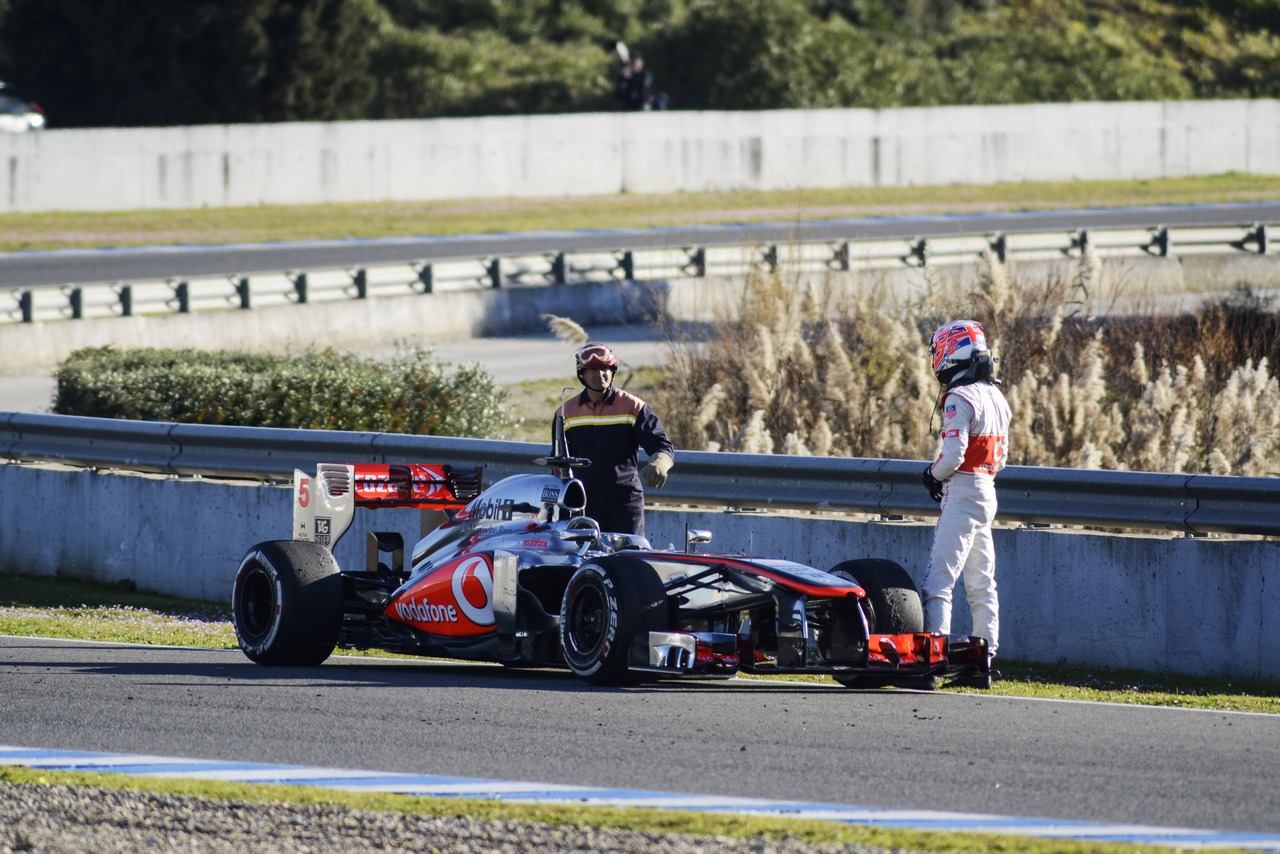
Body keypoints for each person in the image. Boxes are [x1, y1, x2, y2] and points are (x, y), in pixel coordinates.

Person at [920, 319, 1011, 668]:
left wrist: (931, 474)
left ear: (949, 351)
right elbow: (1000, 458)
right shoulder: (996, 396)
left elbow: (953, 455)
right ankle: (984, 659)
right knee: (982, 582)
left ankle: (932, 659)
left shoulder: (958, 398)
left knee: (938, 582)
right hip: (988, 489)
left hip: (962, 491)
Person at [555, 342, 674, 536]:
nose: (599, 375)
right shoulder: (565, 412)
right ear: (582, 374)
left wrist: (660, 462)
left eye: (604, 369)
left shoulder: (633, 406)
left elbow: (662, 444)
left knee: (626, 562)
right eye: (592, 370)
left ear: (613, 371)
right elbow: (557, 461)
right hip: (583, 505)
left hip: (625, 504)